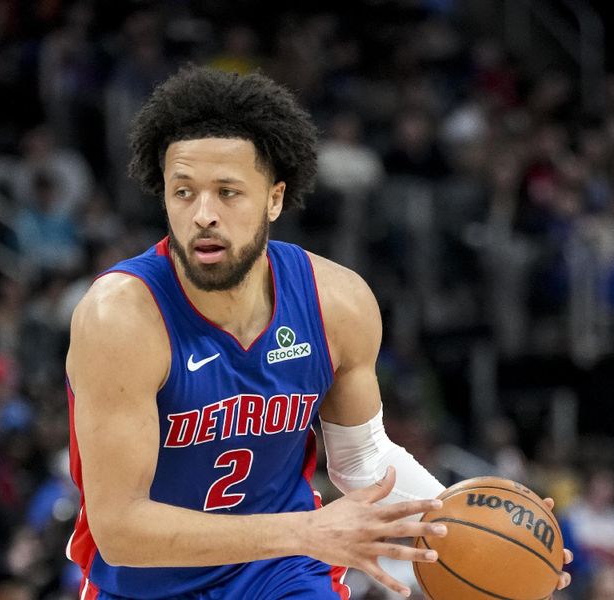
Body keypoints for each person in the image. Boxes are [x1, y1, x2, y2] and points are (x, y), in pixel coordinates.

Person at [65, 65, 573, 599]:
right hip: (145, 583)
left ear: (275, 199)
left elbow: (361, 461)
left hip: (281, 573)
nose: (203, 215)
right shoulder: (121, 317)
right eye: (183, 192)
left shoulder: (337, 302)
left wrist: (484, 535)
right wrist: (307, 530)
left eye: (228, 192)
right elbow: (119, 531)